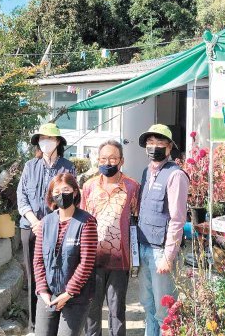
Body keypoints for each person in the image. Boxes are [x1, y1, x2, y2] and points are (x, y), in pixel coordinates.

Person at [17, 123, 77, 333]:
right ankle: (34, 325)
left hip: (57, 228)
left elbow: (69, 199)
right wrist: (36, 222)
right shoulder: (29, 166)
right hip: (30, 228)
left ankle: (56, 316)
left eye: (50, 138)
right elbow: (22, 197)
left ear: (58, 142)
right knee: (34, 275)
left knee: (57, 271)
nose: (46, 142)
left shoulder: (68, 167)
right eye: (42, 138)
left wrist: (48, 224)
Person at [82, 140, 140, 336]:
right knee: (91, 310)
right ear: (97, 160)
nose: (108, 162)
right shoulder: (89, 186)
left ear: (121, 160)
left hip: (119, 260)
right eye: (104, 159)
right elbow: (81, 220)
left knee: (117, 312)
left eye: (113, 158)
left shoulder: (132, 187)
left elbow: (136, 217)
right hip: (91, 259)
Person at [136, 124, 189, 336]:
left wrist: (169, 256)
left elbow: (177, 219)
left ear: (169, 148)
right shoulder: (145, 172)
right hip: (143, 247)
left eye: (159, 143)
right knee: (147, 304)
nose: (154, 147)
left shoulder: (176, 175)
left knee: (164, 308)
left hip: (161, 253)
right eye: (150, 143)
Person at [33, 172, 98, 336]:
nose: (61, 195)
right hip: (48, 294)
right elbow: (38, 260)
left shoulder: (86, 222)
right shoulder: (45, 223)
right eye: (56, 192)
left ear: (75, 192)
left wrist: (68, 293)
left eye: (66, 189)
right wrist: (42, 291)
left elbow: (86, 263)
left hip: (76, 297)